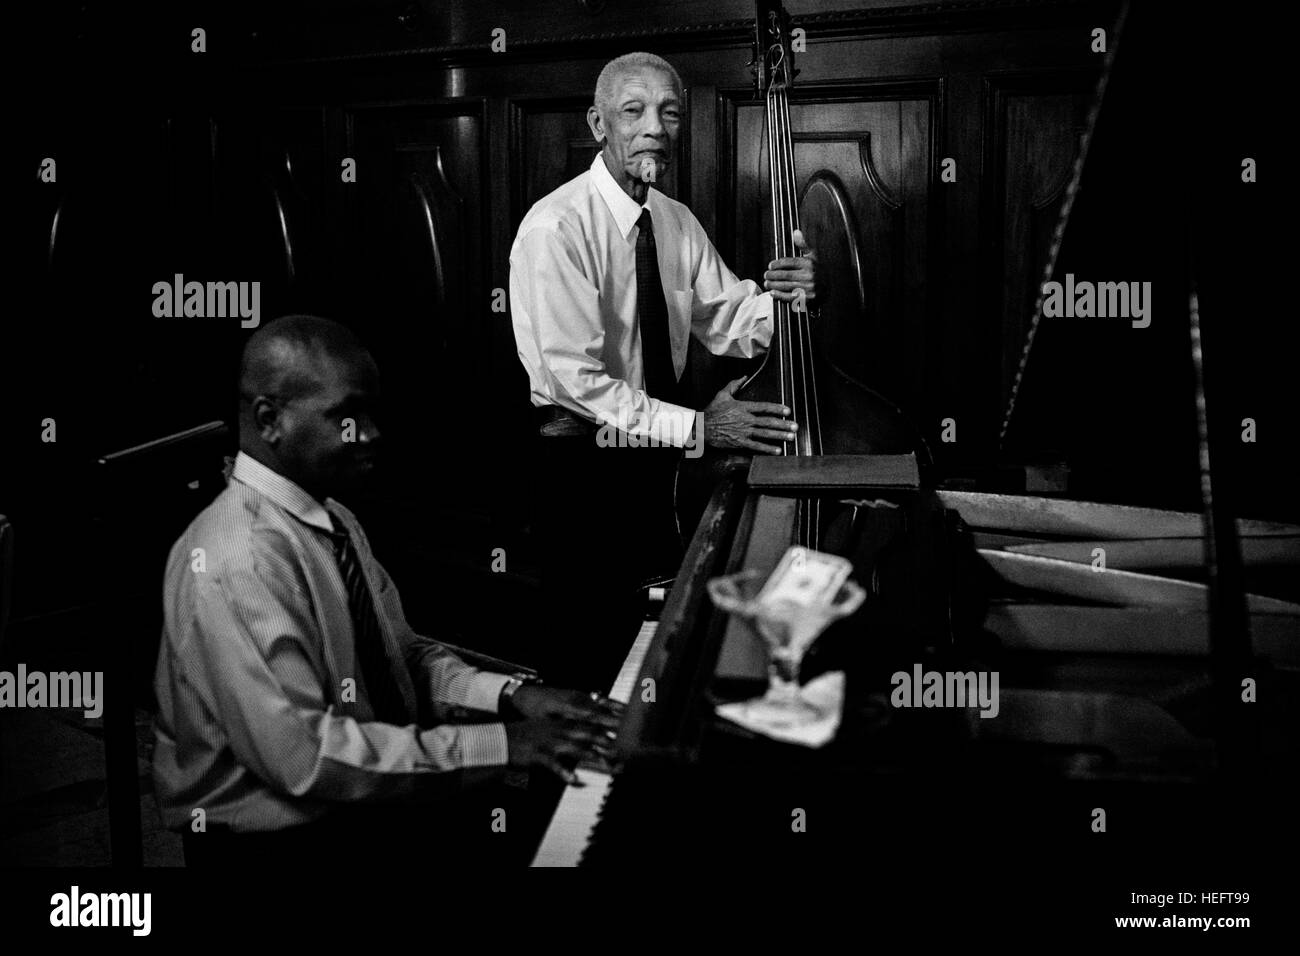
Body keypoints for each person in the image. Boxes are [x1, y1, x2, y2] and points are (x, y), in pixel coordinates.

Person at [152, 314, 620, 867]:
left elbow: (403, 659)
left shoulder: (333, 518)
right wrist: (503, 745)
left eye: (371, 413)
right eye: (346, 417)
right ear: (269, 420)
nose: (370, 434)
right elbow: (306, 760)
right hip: (280, 842)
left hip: (358, 794)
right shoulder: (238, 563)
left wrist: (510, 697)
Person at [509, 51, 820, 690]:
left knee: (659, 643)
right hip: (584, 465)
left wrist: (790, 299)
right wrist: (707, 430)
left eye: (669, 112)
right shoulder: (556, 227)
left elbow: (732, 319)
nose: (655, 126)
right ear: (600, 124)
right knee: (587, 652)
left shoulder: (675, 222)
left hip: (664, 463)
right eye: (634, 111)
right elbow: (581, 385)